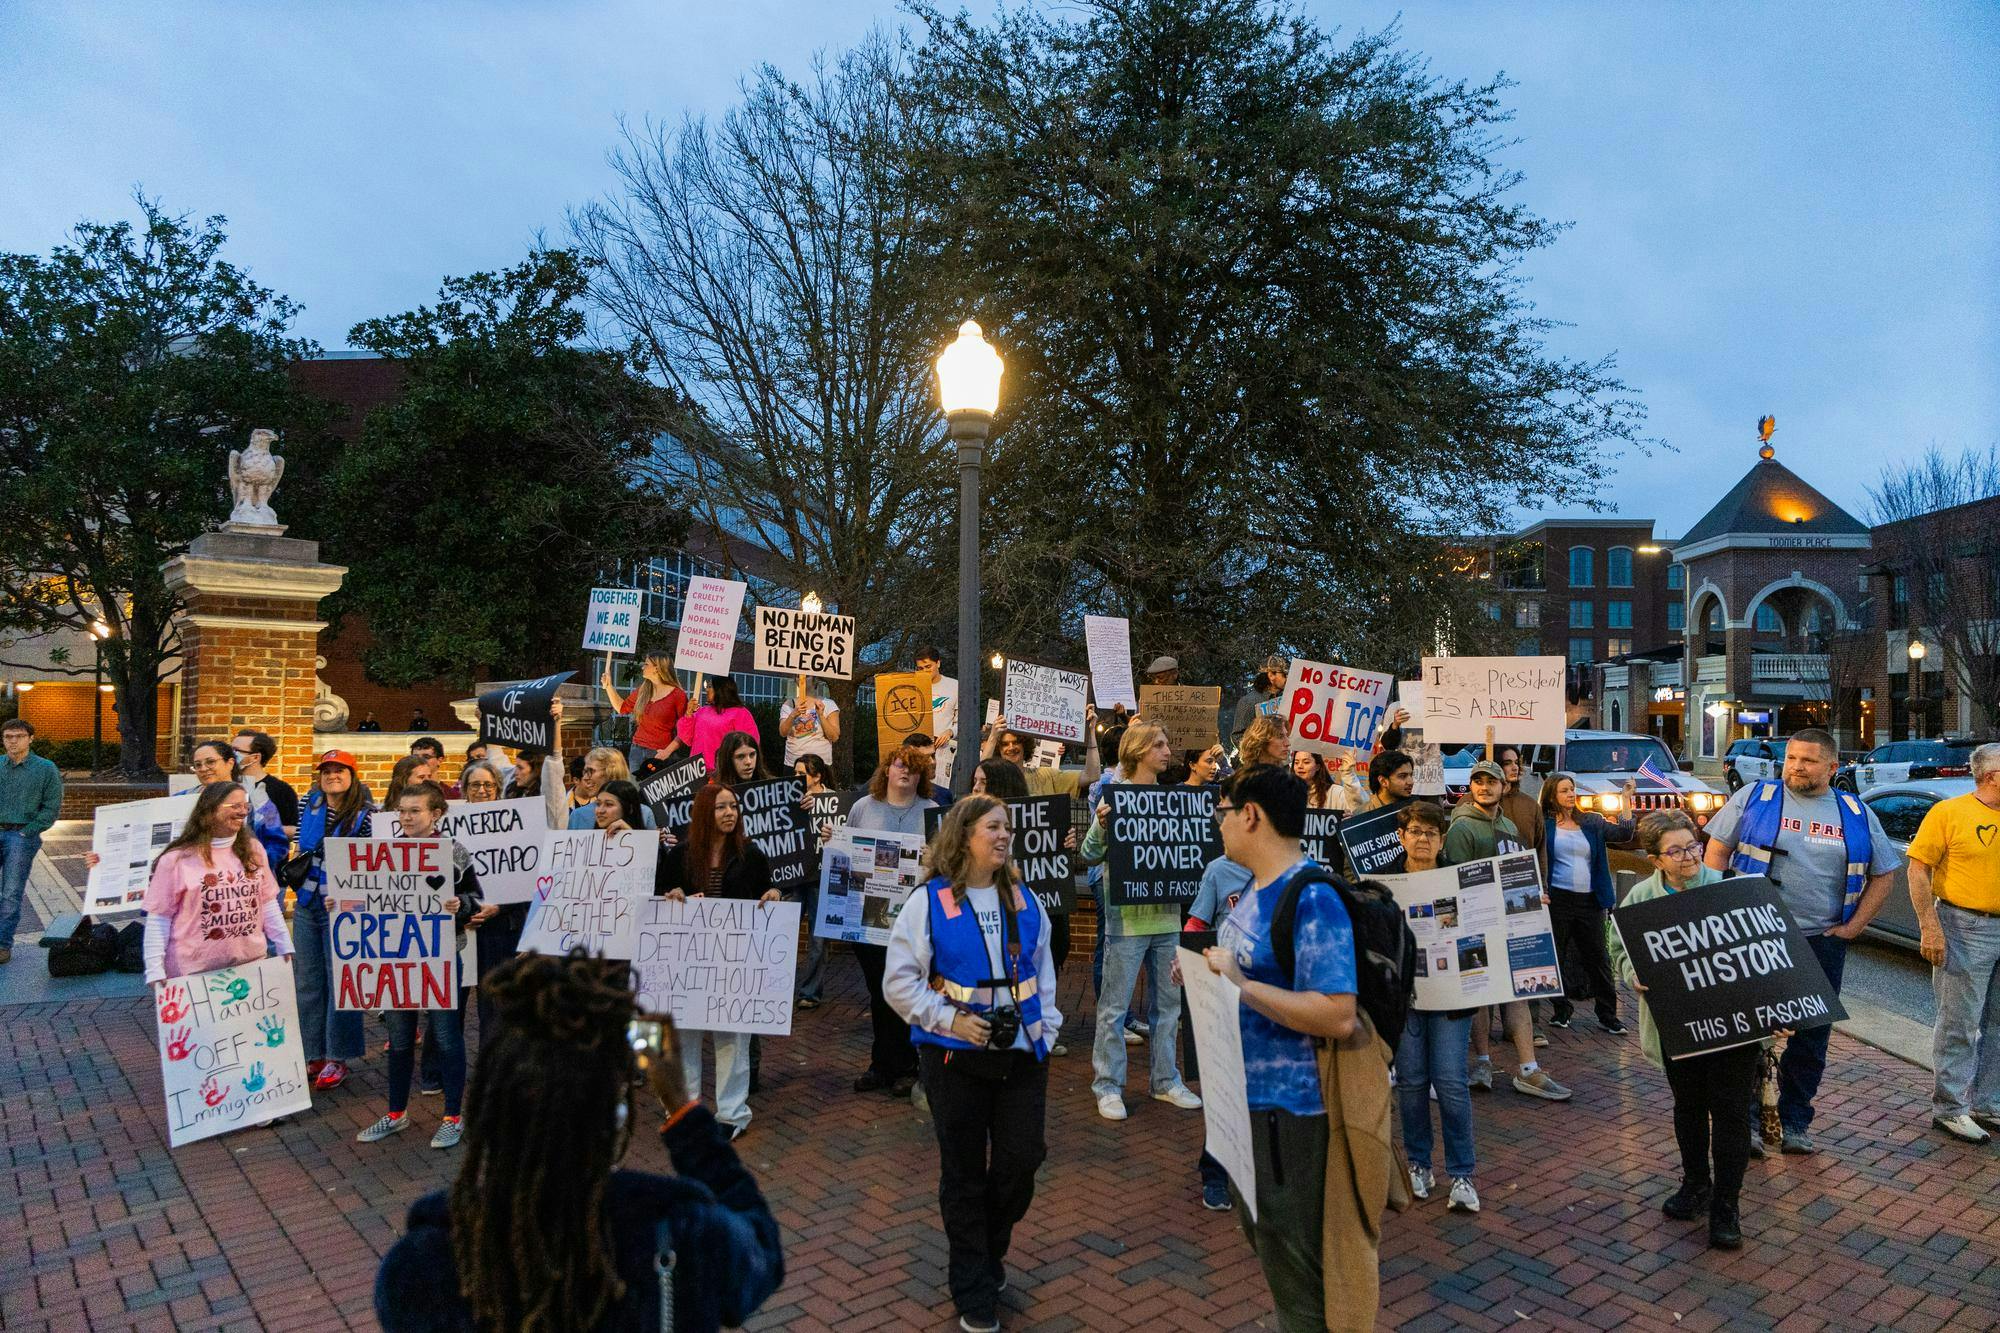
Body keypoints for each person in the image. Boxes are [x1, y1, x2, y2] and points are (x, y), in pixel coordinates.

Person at [373, 952, 784, 1333]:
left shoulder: (421, 1267)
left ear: (489, 1107)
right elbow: (762, 1251)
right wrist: (681, 1110)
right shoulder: (681, 1234)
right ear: (615, 1116)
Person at [1201, 764, 1387, 1331]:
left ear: (1250, 815)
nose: (1220, 824)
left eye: (1224, 812)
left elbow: (1336, 1013)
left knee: (1298, 1272)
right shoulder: (1255, 890)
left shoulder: (1311, 897)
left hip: (1292, 1113)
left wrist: (1241, 984)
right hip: (1247, 1104)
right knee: (1272, 1249)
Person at [884, 795, 1059, 1333]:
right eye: (993, 827)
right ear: (964, 837)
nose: (1005, 835)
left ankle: (986, 1250)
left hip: (1021, 1056)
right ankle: (974, 1286)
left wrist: (1046, 1029)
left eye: (1007, 827)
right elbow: (899, 983)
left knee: (1020, 1164)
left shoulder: (1026, 900)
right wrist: (948, 1020)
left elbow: (1044, 974)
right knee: (962, 1174)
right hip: (953, 1060)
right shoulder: (927, 903)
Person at [1702, 726, 1899, 1154]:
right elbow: (1716, 850)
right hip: (1753, 935)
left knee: (1811, 1035)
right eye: (1791, 758)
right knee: (1749, 1031)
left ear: (1832, 766)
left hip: (1820, 940)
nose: (1796, 767)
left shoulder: (1855, 811)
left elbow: (1885, 872)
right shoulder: (1755, 796)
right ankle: (1748, 1122)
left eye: (1808, 760)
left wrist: (1854, 927)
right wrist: (1719, 908)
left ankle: (1794, 1122)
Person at [1608, 810, 1754, 1249]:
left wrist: (1774, 1014)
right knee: (1688, 1107)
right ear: (1655, 860)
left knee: (1730, 1114)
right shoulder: (1639, 899)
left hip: (1734, 1027)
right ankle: (1696, 1184)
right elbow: (1617, 945)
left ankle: (1727, 1205)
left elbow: (1764, 957)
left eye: (1693, 846)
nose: (1689, 856)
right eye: (1676, 851)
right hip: (1679, 1024)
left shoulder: (1731, 889)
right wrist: (1630, 971)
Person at [1079, 723, 1201, 1121]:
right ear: (1138, 751)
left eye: (1167, 743)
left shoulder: (1171, 799)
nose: (1168, 751)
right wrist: (1100, 823)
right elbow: (1089, 854)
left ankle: (1166, 1080)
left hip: (1166, 916)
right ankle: (1108, 1086)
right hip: (1126, 921)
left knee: (1169, 1007)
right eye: (1160, 745)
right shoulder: (1115, 798)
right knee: (1114, 1008)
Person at [357, 781, 483, 1150]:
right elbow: (366, 901)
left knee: (445, 1036)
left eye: (415, 811)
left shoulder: (453, 852)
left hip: (441, 957)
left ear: (436, 815)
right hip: (396, 957)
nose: (407, 817)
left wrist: (462, 905)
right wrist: (341, 906)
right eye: (402, 810)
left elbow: (476, 898)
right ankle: (396, 1113)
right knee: (398, 1039)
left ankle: (452, 1116)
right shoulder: (385, 854)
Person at [658, 784, 779, 1139]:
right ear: (703, 813)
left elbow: (764, 892)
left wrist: (772, 895)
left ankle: (732, 1114)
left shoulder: (751, 854)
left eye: (734, 806)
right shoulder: (680, 855)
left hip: (733, 961)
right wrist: (674, 895)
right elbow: (662, 896)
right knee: (686, 1038)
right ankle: (686, 1111)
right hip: (689, 959)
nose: (730, 813)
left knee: (733, 1039)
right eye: (720, 807)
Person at [1448, 760, 1571, 1103]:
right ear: (1471, 787)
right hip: (1476, 924)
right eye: (1478, 782)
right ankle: (1484, 1063)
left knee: (1517, 991)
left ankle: (1529, 1068)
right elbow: (1458, 880)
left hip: (1511, 925)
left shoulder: (1507, 824)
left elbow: (1518, 872)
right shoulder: (1462, 828)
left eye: (1491, 781)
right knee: (1482, 996)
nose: (1484, 787)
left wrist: (1534, 894)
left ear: (1504, 786)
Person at [1902, 742, 2000, 1143]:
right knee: (1960, 1022)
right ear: (1993, 776)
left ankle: (1988, 1103)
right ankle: (1950, 1108)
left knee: (1998, 1025)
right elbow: (1917, 870)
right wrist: (1930, 927)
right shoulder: (1949, 812)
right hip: (1964, 925)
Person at [1392, 801, 1481, 1215]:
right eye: (1415, 831)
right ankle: (1419, 1165)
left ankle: (1462, 1174)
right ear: (1401, 837)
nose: (1423, 838)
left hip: (1451, 998)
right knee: (1410, 1083)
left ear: (1442, 839)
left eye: (1431, 832)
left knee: (1449, 1083)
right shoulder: (1386, 886)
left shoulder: (1459, 882)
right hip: (1406, 1000)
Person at [848, 745, 940, 1098]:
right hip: (869, 919)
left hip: (914, 921)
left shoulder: (932, 812)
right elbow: (848, 854)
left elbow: (944, 866)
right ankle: (881, 1065)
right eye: (899, 765)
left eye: (913, 768)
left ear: (922, 776)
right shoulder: (862, 808)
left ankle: (906, 1066)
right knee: (878, 992)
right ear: (885, 771)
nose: (905, 772)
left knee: (905, 991)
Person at [142, 781, 294, 984]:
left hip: (250, 966)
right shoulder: (176, 859)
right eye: (234, 806)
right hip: (192, 973)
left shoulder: (254, 850)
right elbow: (159, 918)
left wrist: (284, 944)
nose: (242, 812)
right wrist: (154, 969)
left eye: (245, 806)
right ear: (210, 811)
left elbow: (267, 903)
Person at [293, 750, 374, 1091]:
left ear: (353, 775)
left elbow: (371, 864)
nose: (332, 776)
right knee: (309, 981)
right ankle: (312, 1052)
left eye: (340, 770)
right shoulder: (305, 805)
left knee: (341, 980)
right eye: (326, 771)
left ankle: (337, 1056)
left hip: (344, 908)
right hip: (308, 902)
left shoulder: (368, 816)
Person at [1539, 772, 1633, 1036]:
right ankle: (1561, 1008)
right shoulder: (1544, 825)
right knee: (1554, 957)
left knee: (1598, 959)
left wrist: (1625, 799)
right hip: (1558, 900)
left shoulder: (1591, 822)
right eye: (1564, 790)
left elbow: (1624, 833)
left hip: (1590, 901)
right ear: (1551, 796)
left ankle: (1608, 1015)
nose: (1571, 794)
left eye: (1572, 789)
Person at [0, 718, 61, 965]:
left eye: (18, 736)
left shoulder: (46, 768)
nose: (12, 741)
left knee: (11, 893)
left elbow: (51, 807)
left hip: (21, 836)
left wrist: (29, 832)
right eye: (8, 737)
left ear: (30, 738)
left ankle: (3, 944)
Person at [793, 754, 837, 1011]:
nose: (797, 779)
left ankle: (810, 992)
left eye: (802, 774)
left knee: (818, 939)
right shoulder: (790, 797)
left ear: (817, 776)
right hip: (795, 875)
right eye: (795, 773)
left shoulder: (834, 800)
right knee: (784, 931)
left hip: (820, 876)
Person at [603, 651, 688, 770]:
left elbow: (685, 730)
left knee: (655, 789)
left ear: (657, 669)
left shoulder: (678, 695)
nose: (643, 667)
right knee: (637, 788)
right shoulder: (643, 690)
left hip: (659, 753)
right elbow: (622, 708)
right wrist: (608, 686)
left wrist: (667, 752)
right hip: (636, 750)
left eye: (646, 664)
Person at [676, 677, 759, 772]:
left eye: (710, 686)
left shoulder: (741, 713)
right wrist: (688, 713)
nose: (706, 689)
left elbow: (749, 744)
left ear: (720, 689)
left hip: (723, 772)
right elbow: (686, 737)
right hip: (696, 771)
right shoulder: (703, 711)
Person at [232, 729, 300, 838]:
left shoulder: (281, 790)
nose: (231, 755)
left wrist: (260, 827)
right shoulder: (227, 784)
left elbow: (295, 830)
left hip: (266, 852)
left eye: (236, 750)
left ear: (255, 757)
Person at [916, 646, 960, 787]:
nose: (925, 671)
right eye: (920, 668)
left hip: (942, 749)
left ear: (938, 663)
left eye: (928, 666)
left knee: (939, 789)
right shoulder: (913, 685)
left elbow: (963, 720)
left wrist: (951, 731)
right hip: (917, 748)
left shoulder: (954, 686)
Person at [779, 674, 841, 768]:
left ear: (815, 679)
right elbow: (783, 732)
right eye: (797, 676)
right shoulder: (789, 704)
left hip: (820, 765)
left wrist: (821, 715)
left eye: (806, 676)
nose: (801, 678)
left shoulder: (828, 704)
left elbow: (834, 737)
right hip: (793, 764)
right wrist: (793, 715)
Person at [1229, 655, 1287, 752]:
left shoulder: (1285, 700)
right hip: (1260, 764)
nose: (1287, 678)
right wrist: (1257, 754)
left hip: (1283, 763)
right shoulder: (1248, 702)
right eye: (1284, 674)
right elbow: (1237, 737)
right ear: (1271, 675)